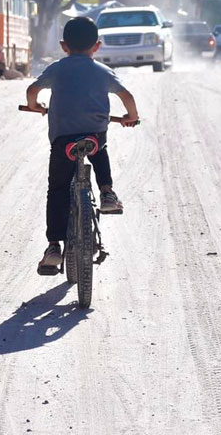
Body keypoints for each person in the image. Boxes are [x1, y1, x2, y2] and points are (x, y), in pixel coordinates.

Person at [25, 16, 139, 275]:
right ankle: (107, 192)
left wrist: (34, 106)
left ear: (64, 46)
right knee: (100, 150)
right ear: (96, 47)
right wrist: (130, 116)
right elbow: (127, 96)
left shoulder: (57, 69)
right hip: (94, 137)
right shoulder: (102, 71)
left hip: (64, 141)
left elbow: (33, 89)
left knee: (57, 190)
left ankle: (54, 246)